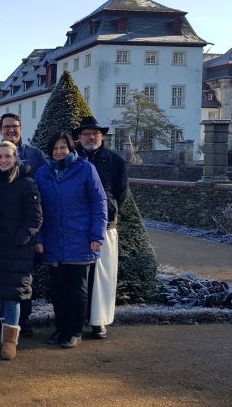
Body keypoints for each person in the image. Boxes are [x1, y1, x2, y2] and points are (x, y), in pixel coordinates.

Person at [34, 131, 107, 349]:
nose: (58, 152)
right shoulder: (43, 173)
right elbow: (36, 209)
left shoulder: (85, 169)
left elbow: (99, 203)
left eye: (63, 147)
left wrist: (97, 235)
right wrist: (39, 237)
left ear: (70, 148)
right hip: (54, 239)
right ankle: (61, 328)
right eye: (55, 148)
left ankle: (75, 330)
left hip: (80, 238)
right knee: (58, 289)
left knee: (77, 288)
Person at [0, 113, 46, 337]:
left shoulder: (35, 156)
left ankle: (21, 324)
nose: (11, 130)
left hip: (18, 238)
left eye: (14, 126)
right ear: (0, 130)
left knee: (18, 285)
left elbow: (40, 203)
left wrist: (28, 237)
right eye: (6, 127)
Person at [73, 116, 128, 339]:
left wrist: (110, 210)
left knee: (102, 276)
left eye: (95, 133)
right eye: (86, 134)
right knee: (79, 277)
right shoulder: (72, 158)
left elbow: (121, 193)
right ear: (78, 137)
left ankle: (99, 321)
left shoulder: (115, 161)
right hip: (78, 225)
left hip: (105, 225)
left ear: (102, 136)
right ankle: (78, 318)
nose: (91, 137)